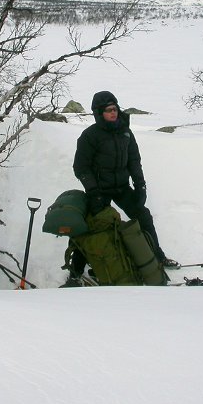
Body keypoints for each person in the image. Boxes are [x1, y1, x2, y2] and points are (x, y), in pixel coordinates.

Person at [65, 90, 178, 284]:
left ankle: (157, 255)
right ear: (99, 113)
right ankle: (76, 271)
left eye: (115, 109)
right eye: (108, 110)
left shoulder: (125, 132)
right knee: (91, 226)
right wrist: (93, 191)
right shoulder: (90, 136)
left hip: (122, 187)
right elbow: (80, 167)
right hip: (99, 191)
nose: (113, 113)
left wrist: (140, 185)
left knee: (143, 216)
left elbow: (134, 160)